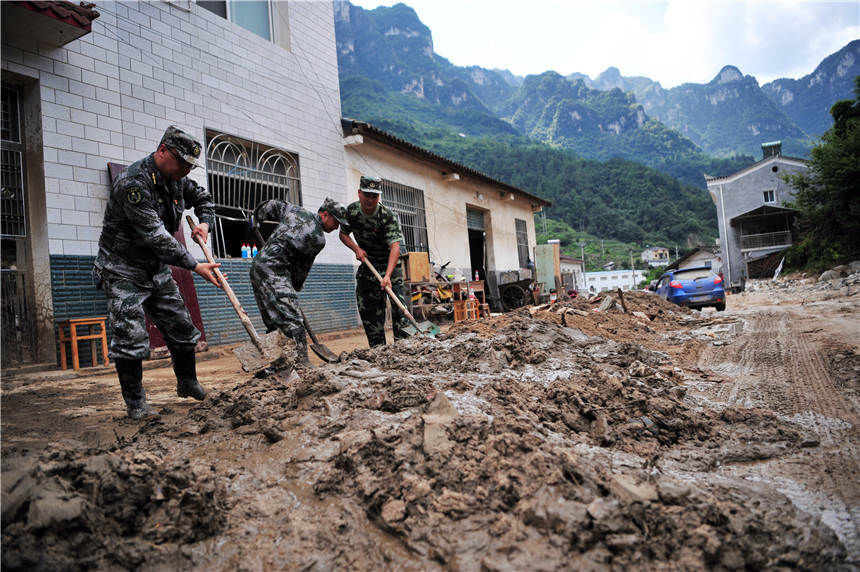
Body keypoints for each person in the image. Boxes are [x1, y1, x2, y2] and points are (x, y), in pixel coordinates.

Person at [93, 125, 223, 420]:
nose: (186, 171)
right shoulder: (133, 183)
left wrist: (205, 222)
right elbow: (157, 237)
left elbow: (203, 198)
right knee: (131, 336)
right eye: (183, 163)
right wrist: (195, 265)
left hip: (155, 267)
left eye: (190, 166)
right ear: (163, 150)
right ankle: (136, 403)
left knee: (181, 325)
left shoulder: (176, 178)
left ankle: (187, 382)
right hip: (122, 268)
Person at [250, 197, 347, 365]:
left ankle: (278, 365)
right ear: (324, 214)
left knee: (274, 321)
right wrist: (292, 289)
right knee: (293, 321)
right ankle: (301, 364)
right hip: (275, 271)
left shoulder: (296, 211)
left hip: (258, 266)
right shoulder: (318, 238)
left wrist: (256, 217)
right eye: (336, 221)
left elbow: (271, 205)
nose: (337, 226)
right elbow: (300, 270)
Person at [339, 175, 409, 347]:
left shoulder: (387, 216)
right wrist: (356, 249)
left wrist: (388, 276)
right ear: (359, 193)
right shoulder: (352, 212)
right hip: (368, 264)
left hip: (390, 265)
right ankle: (378, 349)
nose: (370, 199)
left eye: (374, 196)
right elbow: (343, 234)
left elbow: (395, 248)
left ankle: (404, 348)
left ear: (379, 197)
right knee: (369, 308)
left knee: (399, 308)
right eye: (367, 195)